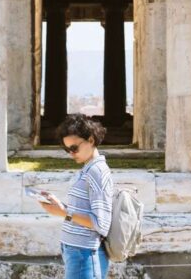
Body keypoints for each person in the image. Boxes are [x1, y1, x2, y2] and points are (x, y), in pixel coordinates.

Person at [39, 114, 115, 279]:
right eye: (67, 150)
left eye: (74, 148)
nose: (71, 154)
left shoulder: (97, 171)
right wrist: (61, 206)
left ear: (91, 140)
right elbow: (81, 212)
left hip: (85, 253)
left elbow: (101, 223)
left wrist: (64, 213)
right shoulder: (88, 169)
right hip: (76, 251)